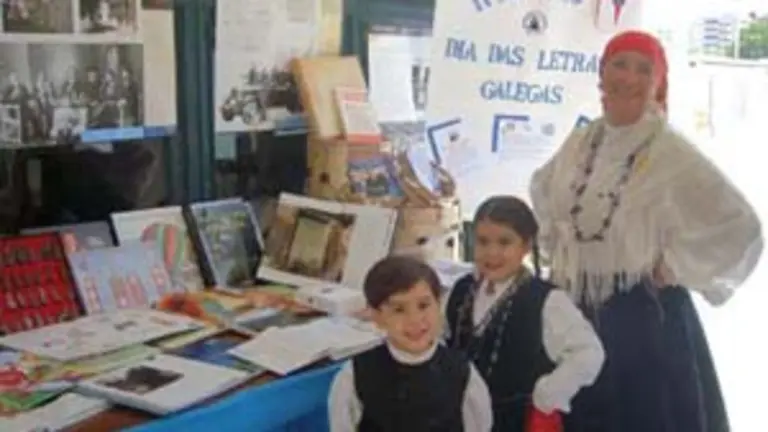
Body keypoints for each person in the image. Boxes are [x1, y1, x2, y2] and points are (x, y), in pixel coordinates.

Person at [529, 30, 763, 432]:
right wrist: (557, 246)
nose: (629, 77)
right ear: (601, 74)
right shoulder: (581, 141)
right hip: (577, 313)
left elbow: (740, 224)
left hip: (644, 322)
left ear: (659, 83)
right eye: (619, 64)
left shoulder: (671, 153)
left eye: (643, 68)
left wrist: (673, 265)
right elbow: (543, 189)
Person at [444, 196, 604, 431]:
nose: (492, 253)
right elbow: (440, 337)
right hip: (461, 417)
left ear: (526, 246)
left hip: (517, 421)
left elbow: (589, 353)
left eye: (504, 242)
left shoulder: (546, 301)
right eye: (483, 241)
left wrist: (547, 393)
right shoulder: (461, 290)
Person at [328, 255, 493, 431]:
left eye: (423, 305)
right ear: (377, 317)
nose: (414, 320)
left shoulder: (463, 374)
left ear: (438, 304)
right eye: (399, 310)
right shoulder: (354, 375)